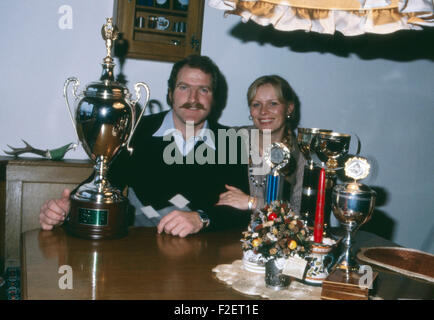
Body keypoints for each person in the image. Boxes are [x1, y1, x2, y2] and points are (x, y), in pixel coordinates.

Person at [39, 55, 250, 237]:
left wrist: (201, 218)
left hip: (203, 252)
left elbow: (239, 210)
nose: (193, 98)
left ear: (214, 98)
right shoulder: (136, 132)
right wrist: (67, 207)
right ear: (170, 93)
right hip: (140, 250)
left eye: (203, 90)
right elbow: (106, 179)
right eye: (184, 87)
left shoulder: (230, 141)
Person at [216, 75, 304, 213]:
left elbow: (301, 212)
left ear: (289, 108)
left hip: (278, 234)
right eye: (256, 104)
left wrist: (252, 202)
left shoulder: (300, 155)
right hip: (229, 230)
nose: (263, 111)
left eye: (273, 103)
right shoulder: (230, 139)